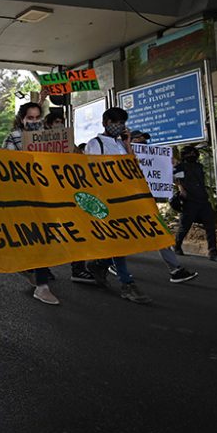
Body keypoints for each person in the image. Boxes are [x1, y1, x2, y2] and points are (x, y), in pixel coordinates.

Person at [84, 107, 152, 304]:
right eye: (115, 122)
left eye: (122, 123)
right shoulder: (95, 144)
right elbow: (92, 172)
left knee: (121, 239)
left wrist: (128, 145)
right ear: (105, 123)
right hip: (104, 200)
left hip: (123, 198)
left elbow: (132, 168)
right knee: (119, 239)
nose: (119, 126)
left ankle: (100, 264)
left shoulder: (121, 144)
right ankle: (126, 283)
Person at [3, 102, 67, 304]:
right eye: (29, 118)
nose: (34, 121)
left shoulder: (51, 137)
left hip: (46, 194)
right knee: (33, 237)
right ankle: (37, 277)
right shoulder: (13, 137)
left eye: (37, 117)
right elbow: (5, 164)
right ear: (22, 119)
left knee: (44, 237)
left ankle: (41, 283)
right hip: (24, 195)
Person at [126, 131, 199, 284]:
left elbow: (174, 176)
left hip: (147, 204)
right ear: (130, 141)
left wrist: (174, 166)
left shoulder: (156, 159)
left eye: (144, 139)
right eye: (138, 139)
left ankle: (175, 269)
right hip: (128, 204)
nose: (142, 141)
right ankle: (108, 262)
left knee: (160, 233)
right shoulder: (123, 157)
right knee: (123, 235)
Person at [173, 145, 217, 262]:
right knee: (184, 227)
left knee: (210, 226)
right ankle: (177, 245)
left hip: (203, 200)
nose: (193, 155)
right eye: (190, 154)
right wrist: (181, 189)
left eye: (194, 153)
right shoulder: (180, 167)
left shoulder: (199, 166)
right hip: (189, 201)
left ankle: (213, 252)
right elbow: (175, 179)